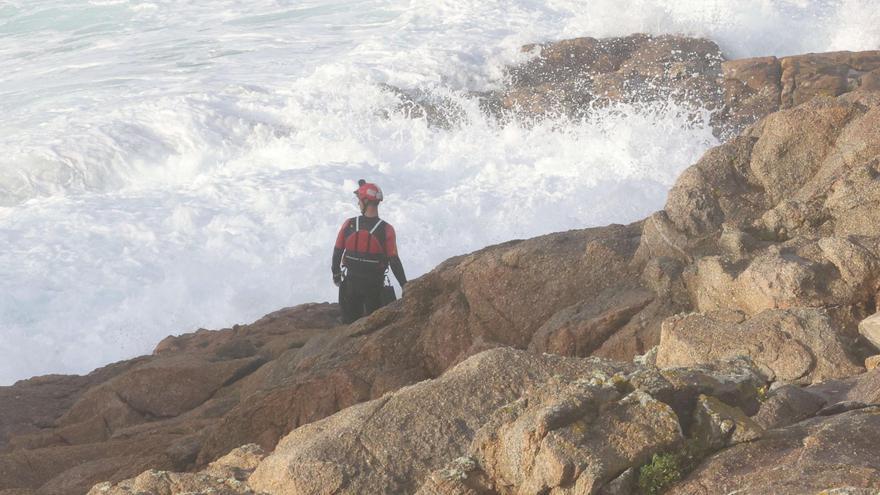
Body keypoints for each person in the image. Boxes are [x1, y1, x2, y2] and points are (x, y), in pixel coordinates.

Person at [332, 179, 407, 323]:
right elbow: (394, 261)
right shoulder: (387, 229)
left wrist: (336, 275)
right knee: (374, 326)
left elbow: (337, 252)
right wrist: (405, 285)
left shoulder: (349, 224)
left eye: (359, 200)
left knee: (349, 326)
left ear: (366, 201)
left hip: (350, 288)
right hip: (374, 289)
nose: (358, 203)